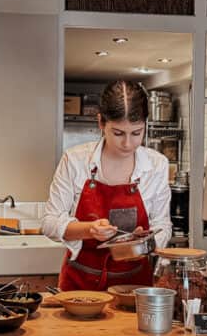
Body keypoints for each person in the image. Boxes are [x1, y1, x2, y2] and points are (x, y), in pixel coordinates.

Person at [42, 80, 172, 291]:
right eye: (118, 133)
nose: (128, 144)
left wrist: (145, 240)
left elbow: (163, 226)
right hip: (80, 286)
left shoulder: (156, 165)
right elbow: (49, 223)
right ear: (101, 123)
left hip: (134, 287)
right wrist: (89, 229)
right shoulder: (75, 160)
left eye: (137, 133)